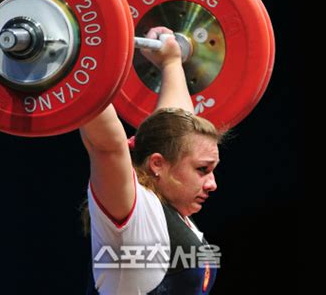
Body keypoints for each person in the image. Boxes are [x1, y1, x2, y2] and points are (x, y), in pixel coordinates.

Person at [80, 26, 226, 294]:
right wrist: (80, 66)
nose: (212, 184)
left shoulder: (172, 206)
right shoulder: (134, 216)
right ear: (157, 164)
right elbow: (108, 147)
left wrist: (171, 63)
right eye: (202, 170)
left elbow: (176, 123)